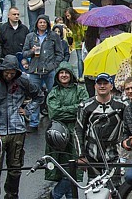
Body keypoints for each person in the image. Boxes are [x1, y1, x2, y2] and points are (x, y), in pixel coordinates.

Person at [0, 55, 43, 199]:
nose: (9, 76)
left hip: (18, 130)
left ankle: (12, 194)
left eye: (12, 73)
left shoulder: (23, 81)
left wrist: (28, 110)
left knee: (15, 167)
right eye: (6, 73)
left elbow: (39, 95)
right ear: (2, 70)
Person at [46, 62, 89, 199]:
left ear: (71, 74)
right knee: (61, 167)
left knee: (75, 167)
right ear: (58, 75)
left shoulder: (80, 90)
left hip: (77, 132)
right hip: (57, 133)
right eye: (61, 73)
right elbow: (54, 113)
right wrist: (74, 109)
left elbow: (85, 108)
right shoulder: (54, 92)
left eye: (66, 73)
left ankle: (55, 195)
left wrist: (64, 109)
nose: (64, 75)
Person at [75, 72, 126, 179]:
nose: (102, 86)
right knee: (94, 190)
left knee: (114, 189)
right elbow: (79, 130)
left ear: (111, 86)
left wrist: (126, 148)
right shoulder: (85, 107)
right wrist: (81, 155)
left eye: (105, 83)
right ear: (95, 86)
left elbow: (129, 128)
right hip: (92, 156)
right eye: (99, 83)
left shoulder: (122, 105)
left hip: (114, 154)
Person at [22, 14, 65, 130]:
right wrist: (31, 51)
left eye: (44, 22)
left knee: (53, 96)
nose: (42, 24)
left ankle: (54, 121)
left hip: (49, 71)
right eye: (40, 22)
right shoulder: (30, 36)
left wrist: (54, 65)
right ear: (37, 23)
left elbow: (60, 53)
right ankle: (34, 122)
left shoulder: (54, 36)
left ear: (47, 24)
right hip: (34, 70)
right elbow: (24, 53)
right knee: (35, 96)